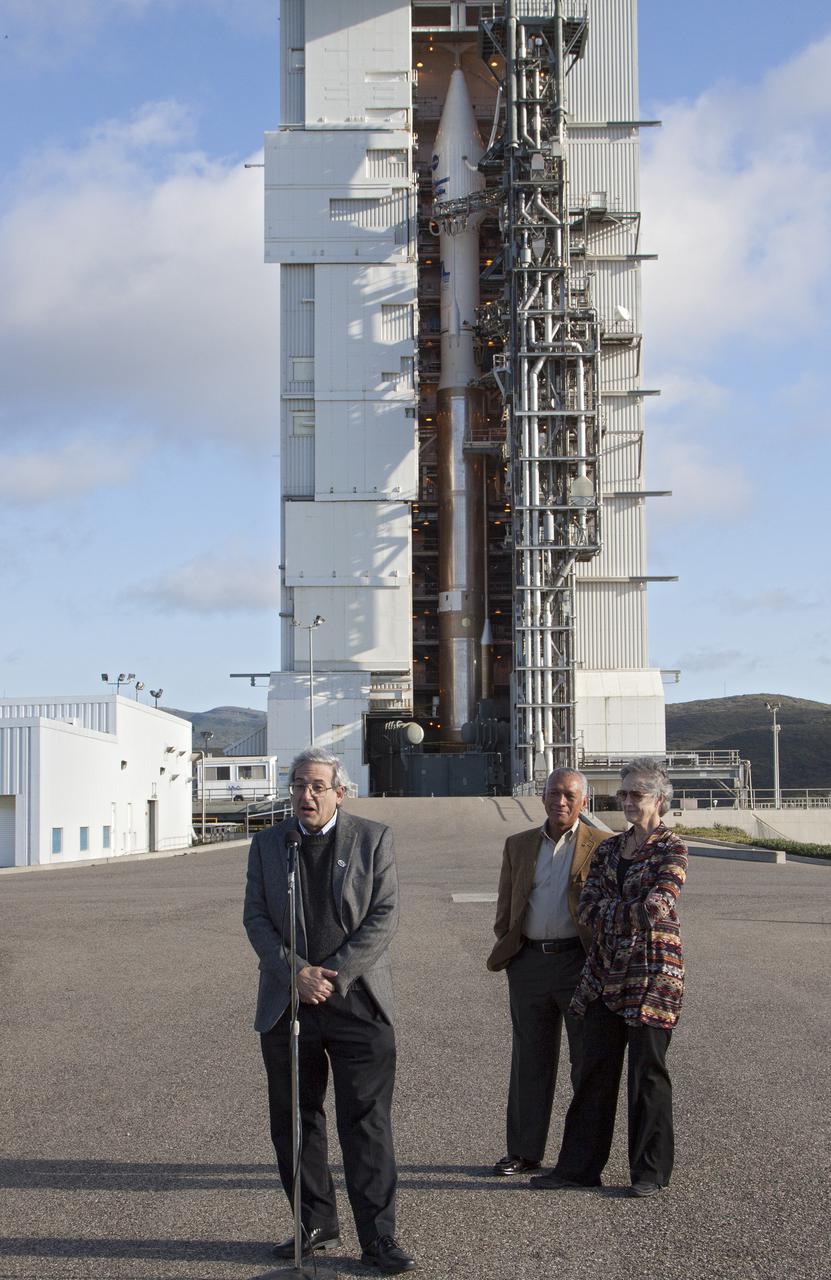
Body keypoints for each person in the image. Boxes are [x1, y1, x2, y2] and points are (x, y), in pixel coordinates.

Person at [243, 746, 416, 1274]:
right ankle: (313, 1222)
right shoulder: (270, 844)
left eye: (317, 786)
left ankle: (379, 1237)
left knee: (365, 1123)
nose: (306, 795)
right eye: (298, 785)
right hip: (288, 1001)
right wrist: (295, 970)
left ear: (340, 791)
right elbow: (255, 917)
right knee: (295, 1119)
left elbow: (383, 915)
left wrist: (331, 974)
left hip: (356, 1001)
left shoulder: (372, 838)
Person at [530, 757, 687, 1197]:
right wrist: (621, 914)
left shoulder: (672, 848)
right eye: (623, 794)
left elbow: (657, 905)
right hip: (604, 973)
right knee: (595, 1071)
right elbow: (587, 907)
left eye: (637, 794)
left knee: (648, 1073)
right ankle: (578, 1168)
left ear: (659, 799)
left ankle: (649, 1173)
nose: (628, 801)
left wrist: (614, 914)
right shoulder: (609, 849)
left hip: (653, 974)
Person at [486, 769, 608, 1176]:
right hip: (530, 963)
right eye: (553, 793)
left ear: (584, 802)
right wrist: (510, 944)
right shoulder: (519, 845)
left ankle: (581, 1156)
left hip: (580, 963)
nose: (560, 801)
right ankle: (523, 1151)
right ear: (542, 798)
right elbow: (506, 904)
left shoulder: (603, 846)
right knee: (529, 1060)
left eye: (569, 795)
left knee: (585, 1061)